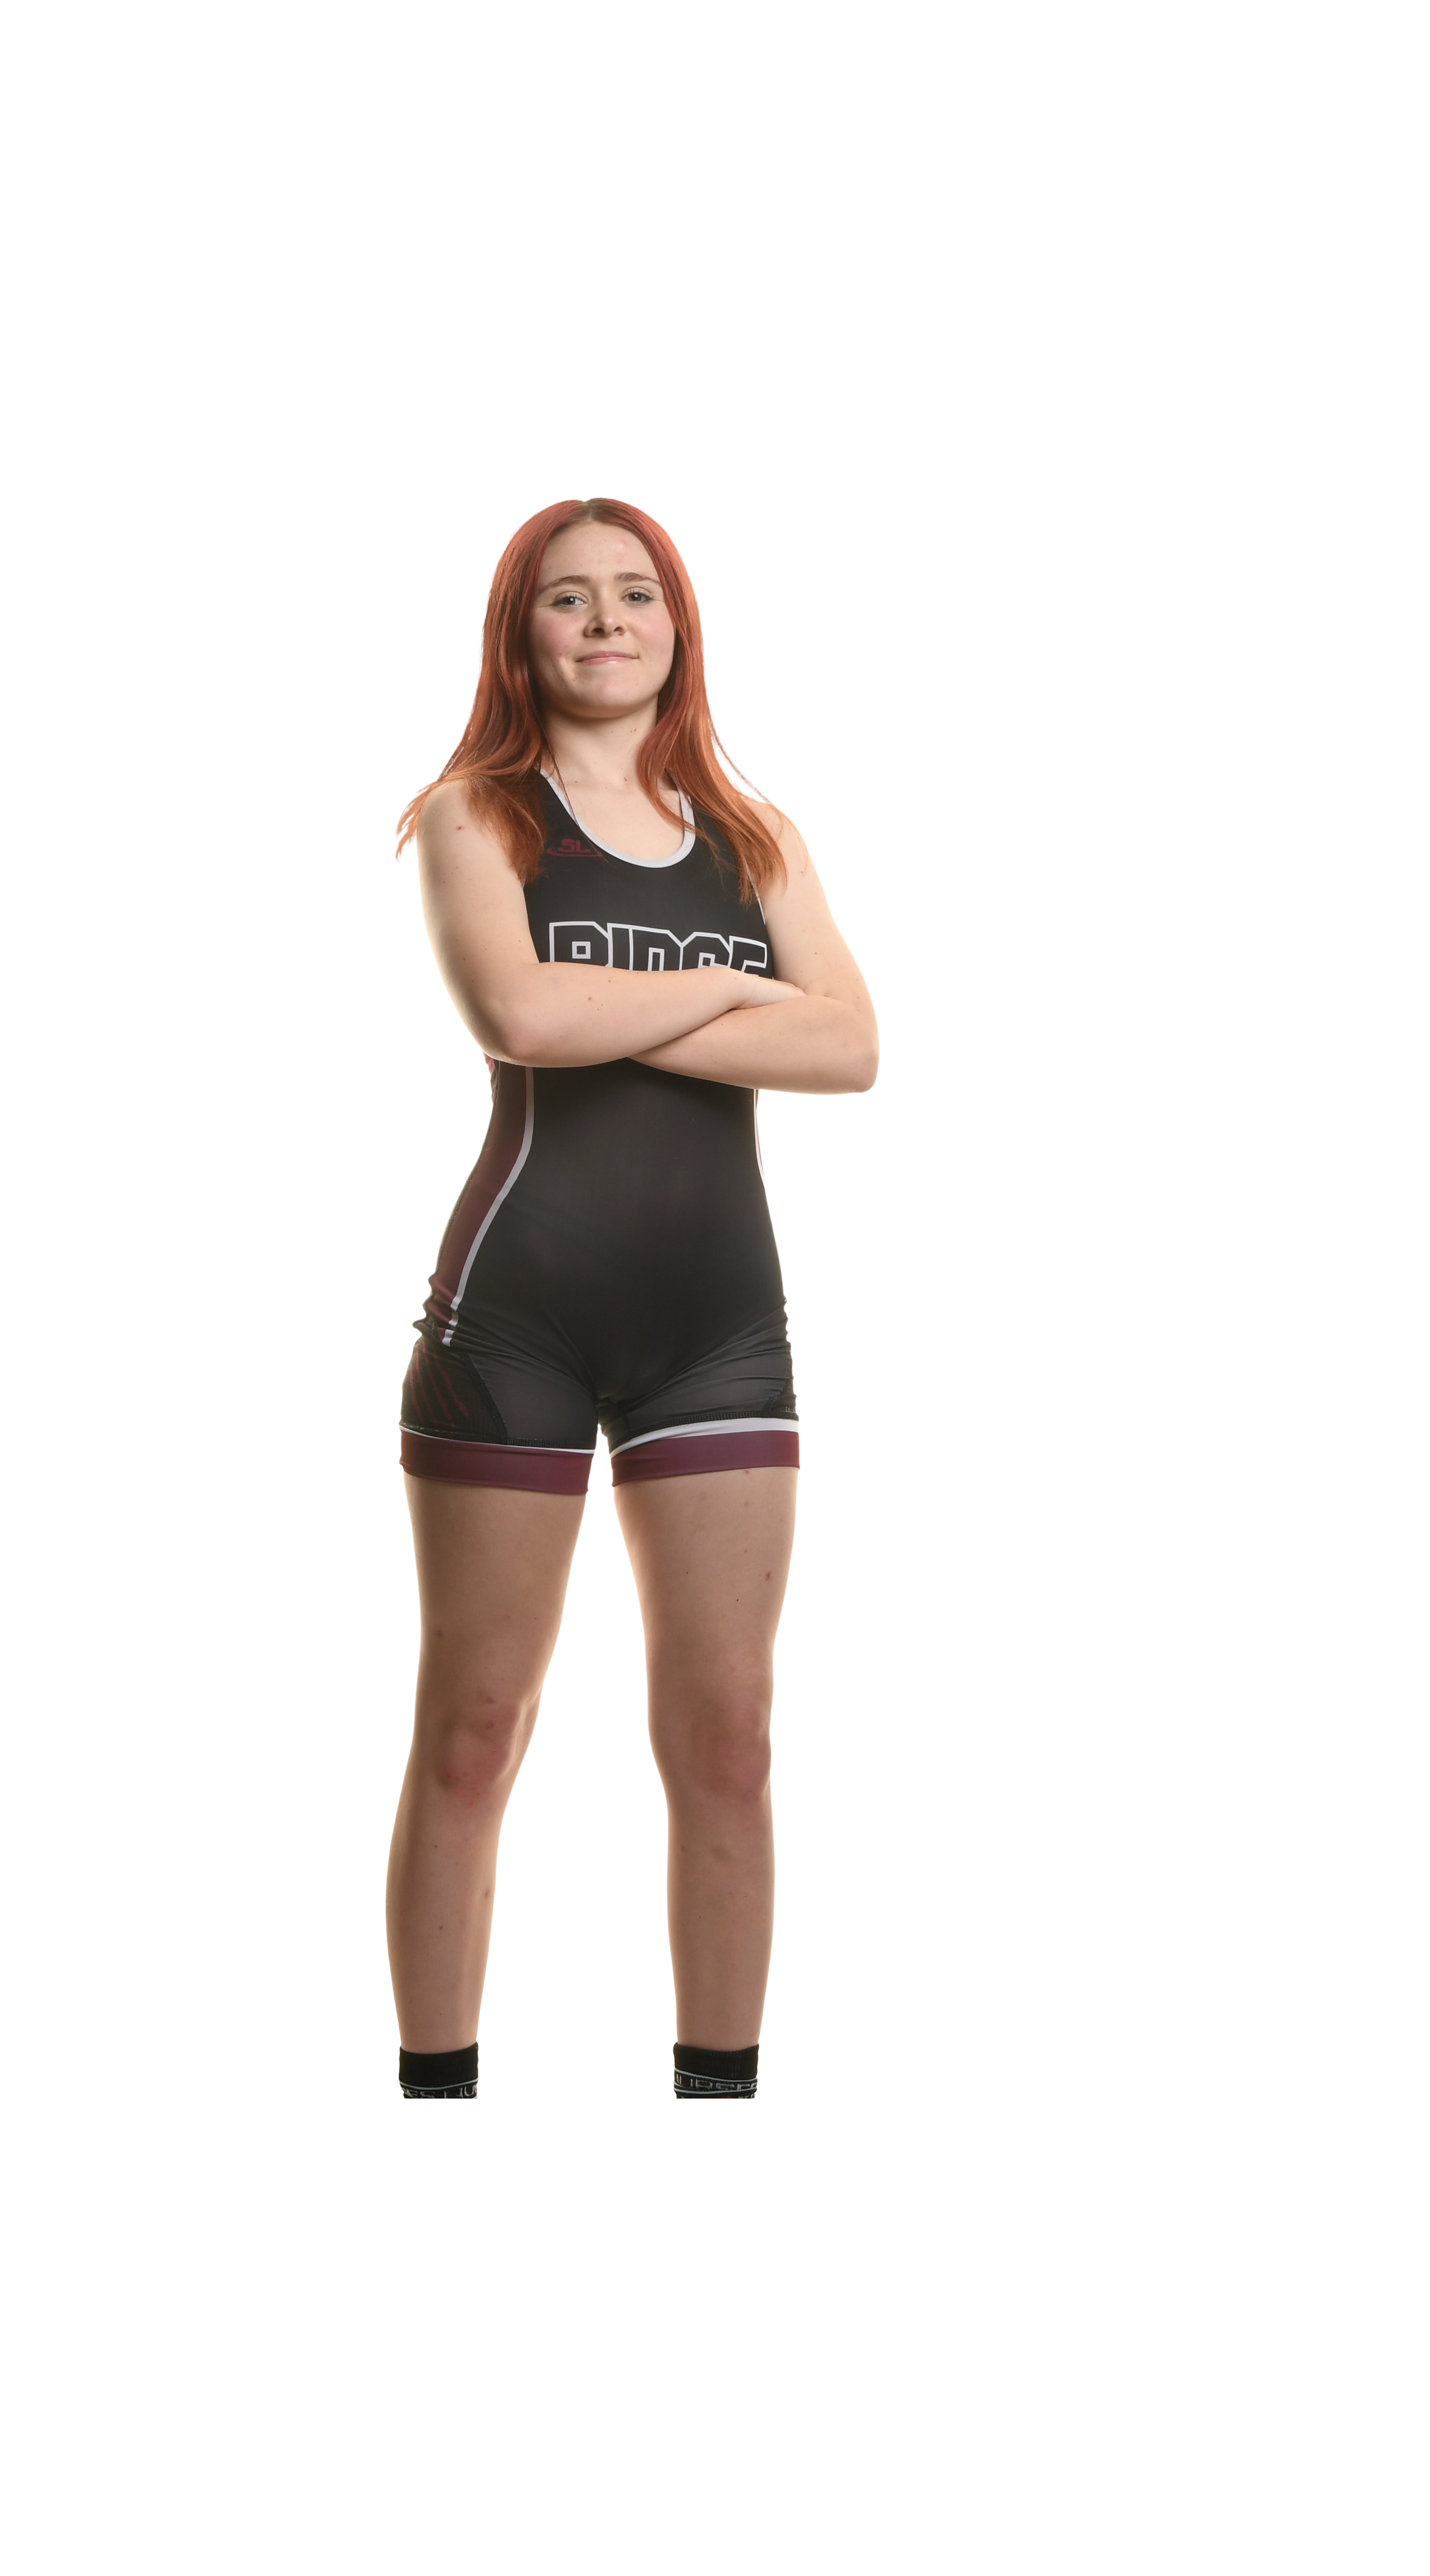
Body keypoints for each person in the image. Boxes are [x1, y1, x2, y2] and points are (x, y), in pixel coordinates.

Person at [388, 496, 878, 2099]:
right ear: (515, 629)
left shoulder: (754, 830)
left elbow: (849, 1046)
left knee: (730, 1737)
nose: (606, 622)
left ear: (683, 623)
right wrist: (733, 981)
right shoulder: (474, 813)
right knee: (475, 1731)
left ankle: (718, 2104)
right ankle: (434, 2100)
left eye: (636, 595)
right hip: (514, 1318)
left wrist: (634, 1003)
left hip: (718, 1329)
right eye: (567, 598)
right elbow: (522, 1017)